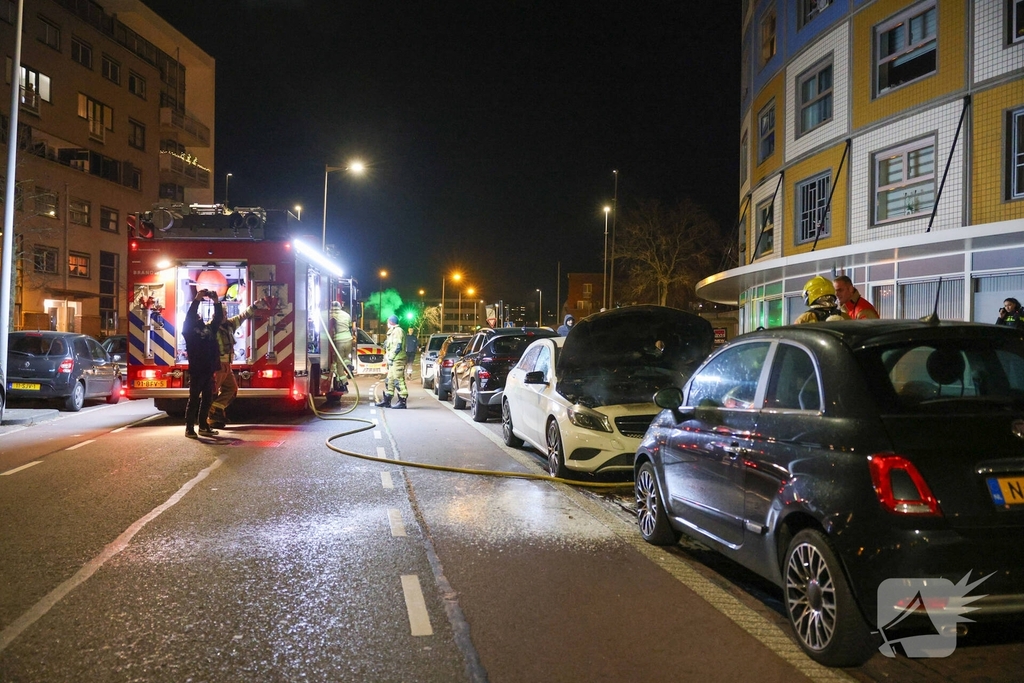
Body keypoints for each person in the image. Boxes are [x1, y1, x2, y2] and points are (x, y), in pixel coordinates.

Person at [209, 296, 267, 429]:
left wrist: (254, 306)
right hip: (217, 364)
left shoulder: (229, 324)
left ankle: (215, 411)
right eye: (222, 313)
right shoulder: (211, 328)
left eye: (225, 313)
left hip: (227, 365)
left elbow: (242, 316)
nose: (225, 315)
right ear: (215, 314)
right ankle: (211, 418)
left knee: (232, 389)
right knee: (211, 392)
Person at [182, 290, 224, 438]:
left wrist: (216, 302)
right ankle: (189, 428)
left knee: (208, 399)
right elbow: (189, 316)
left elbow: (218, 318)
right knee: (193, 399)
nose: (198, 315)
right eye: (196, 315)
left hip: (208, 370)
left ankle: (203, 426)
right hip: (197, 370)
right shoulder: (188, 331)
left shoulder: (208, 329)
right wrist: (197, 299)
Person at [374, 315, 409, 409]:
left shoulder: (397, 331)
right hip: (394, 360)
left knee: (398, 380)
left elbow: (398, 346)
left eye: (387, 322)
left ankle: (402, 401)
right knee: (390, 380)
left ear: (390, 322)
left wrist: (391, 358)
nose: (387, 324)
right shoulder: (393, 332)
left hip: (397, 360)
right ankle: (387, 400)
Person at [329, 301, 354, 391]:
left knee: (339, 363)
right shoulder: (346, 315)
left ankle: (343, 382)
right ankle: (349, 366)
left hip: (339, 340)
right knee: (346, 357)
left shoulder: (331, 314)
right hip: (348, 339)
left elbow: (329, 326)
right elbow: (351, 327)